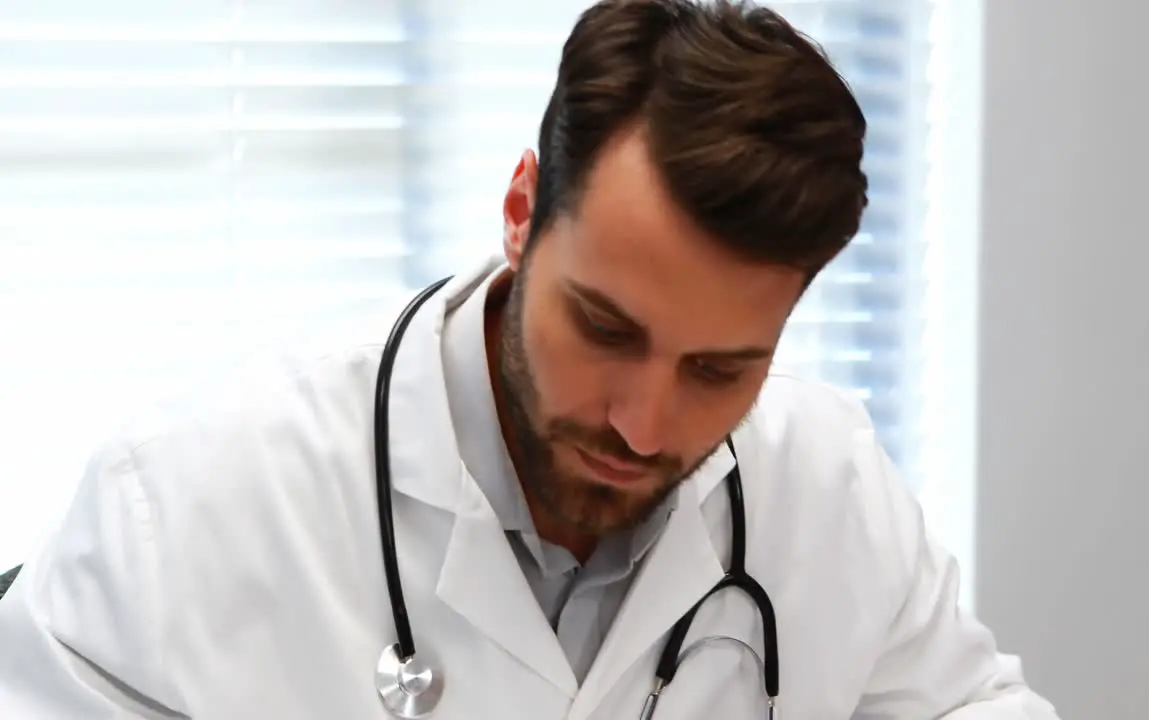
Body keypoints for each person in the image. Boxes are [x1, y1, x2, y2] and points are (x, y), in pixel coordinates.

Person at [0, 1, 1059, 717]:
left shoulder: (823, 485)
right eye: (604, 329)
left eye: (717, 371)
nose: (643, 426)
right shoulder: (189, 502)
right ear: (520, 212)